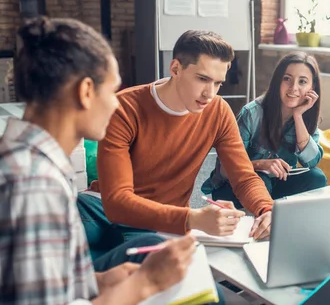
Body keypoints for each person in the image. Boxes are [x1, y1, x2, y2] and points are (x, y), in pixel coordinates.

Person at [0, 17, 197, 304]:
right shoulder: (34, 183)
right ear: (86, 91)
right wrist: (144, 284)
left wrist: (101, 281)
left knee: (152, 246)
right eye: (112, 90)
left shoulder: (27, 156)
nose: (116, 102)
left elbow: (41, 280)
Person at [77, 30, 274, 260]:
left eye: (217, 83)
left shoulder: (218, 111)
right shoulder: (125, 109)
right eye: (202, 79)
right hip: (105, 211)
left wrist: (267, 209)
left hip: (164, 223)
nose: (209, 94)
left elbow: (244, 177)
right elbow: (118, 202)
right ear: (176, 69)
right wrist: (192, 218)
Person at [203, 52, 326, 206]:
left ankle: (278, 213)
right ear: (277, 81)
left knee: (317, 178)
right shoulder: (252, 113)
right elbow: (225, 169)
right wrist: (261, 164)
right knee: (262, 180)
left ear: (312, 87)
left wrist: (298, 116)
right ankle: (265, 216)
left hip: (276, 184)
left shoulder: (306, 116)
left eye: (302, 82)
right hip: (236, 186)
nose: (293, 88)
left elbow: (312, 161)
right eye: (287, 79)